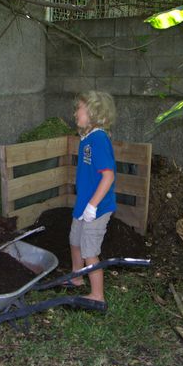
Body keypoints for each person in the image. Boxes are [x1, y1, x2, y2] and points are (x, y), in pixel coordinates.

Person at [66, 91, 117, 309]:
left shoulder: (99, 139)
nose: (75, 112)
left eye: (79, 108)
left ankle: (97, 295)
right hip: (83, 204)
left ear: (93, 113)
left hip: (96, 207)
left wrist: (92, 206)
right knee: (75, 241)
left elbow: (108, 176)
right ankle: (77, 277)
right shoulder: (87, 138)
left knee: (89, 251)